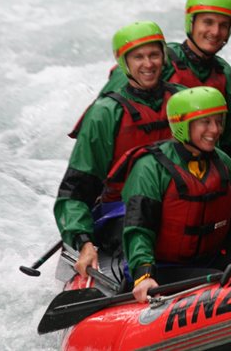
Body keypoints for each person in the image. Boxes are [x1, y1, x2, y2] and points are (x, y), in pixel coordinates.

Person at [102, 0, 231, 203]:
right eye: (208, 22)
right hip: (152, 170)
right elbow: (111, 110)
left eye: (223, 25)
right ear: (191, 23)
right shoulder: (156, 62)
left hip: (201, 170)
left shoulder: (223, 72)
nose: (215, 32)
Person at [120, 87, 231, 303]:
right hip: (163, 268)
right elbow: (139, 230)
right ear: (182, 124)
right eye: (205, 123)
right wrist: (144, 275)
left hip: (209, 260)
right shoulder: (150, 168)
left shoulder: (223, 162)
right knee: (212, 283)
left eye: (218, 121)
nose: (215, 130)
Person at [54, 21, 183, 278]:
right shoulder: (105, 114)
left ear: (164, 56)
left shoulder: (182, 100)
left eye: (154, 55)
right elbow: (75, 191)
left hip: (179, 204)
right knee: (147, 222)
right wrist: (84, 242)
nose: (148, 64)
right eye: (138, 57)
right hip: (121, 211)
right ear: (124, 63)